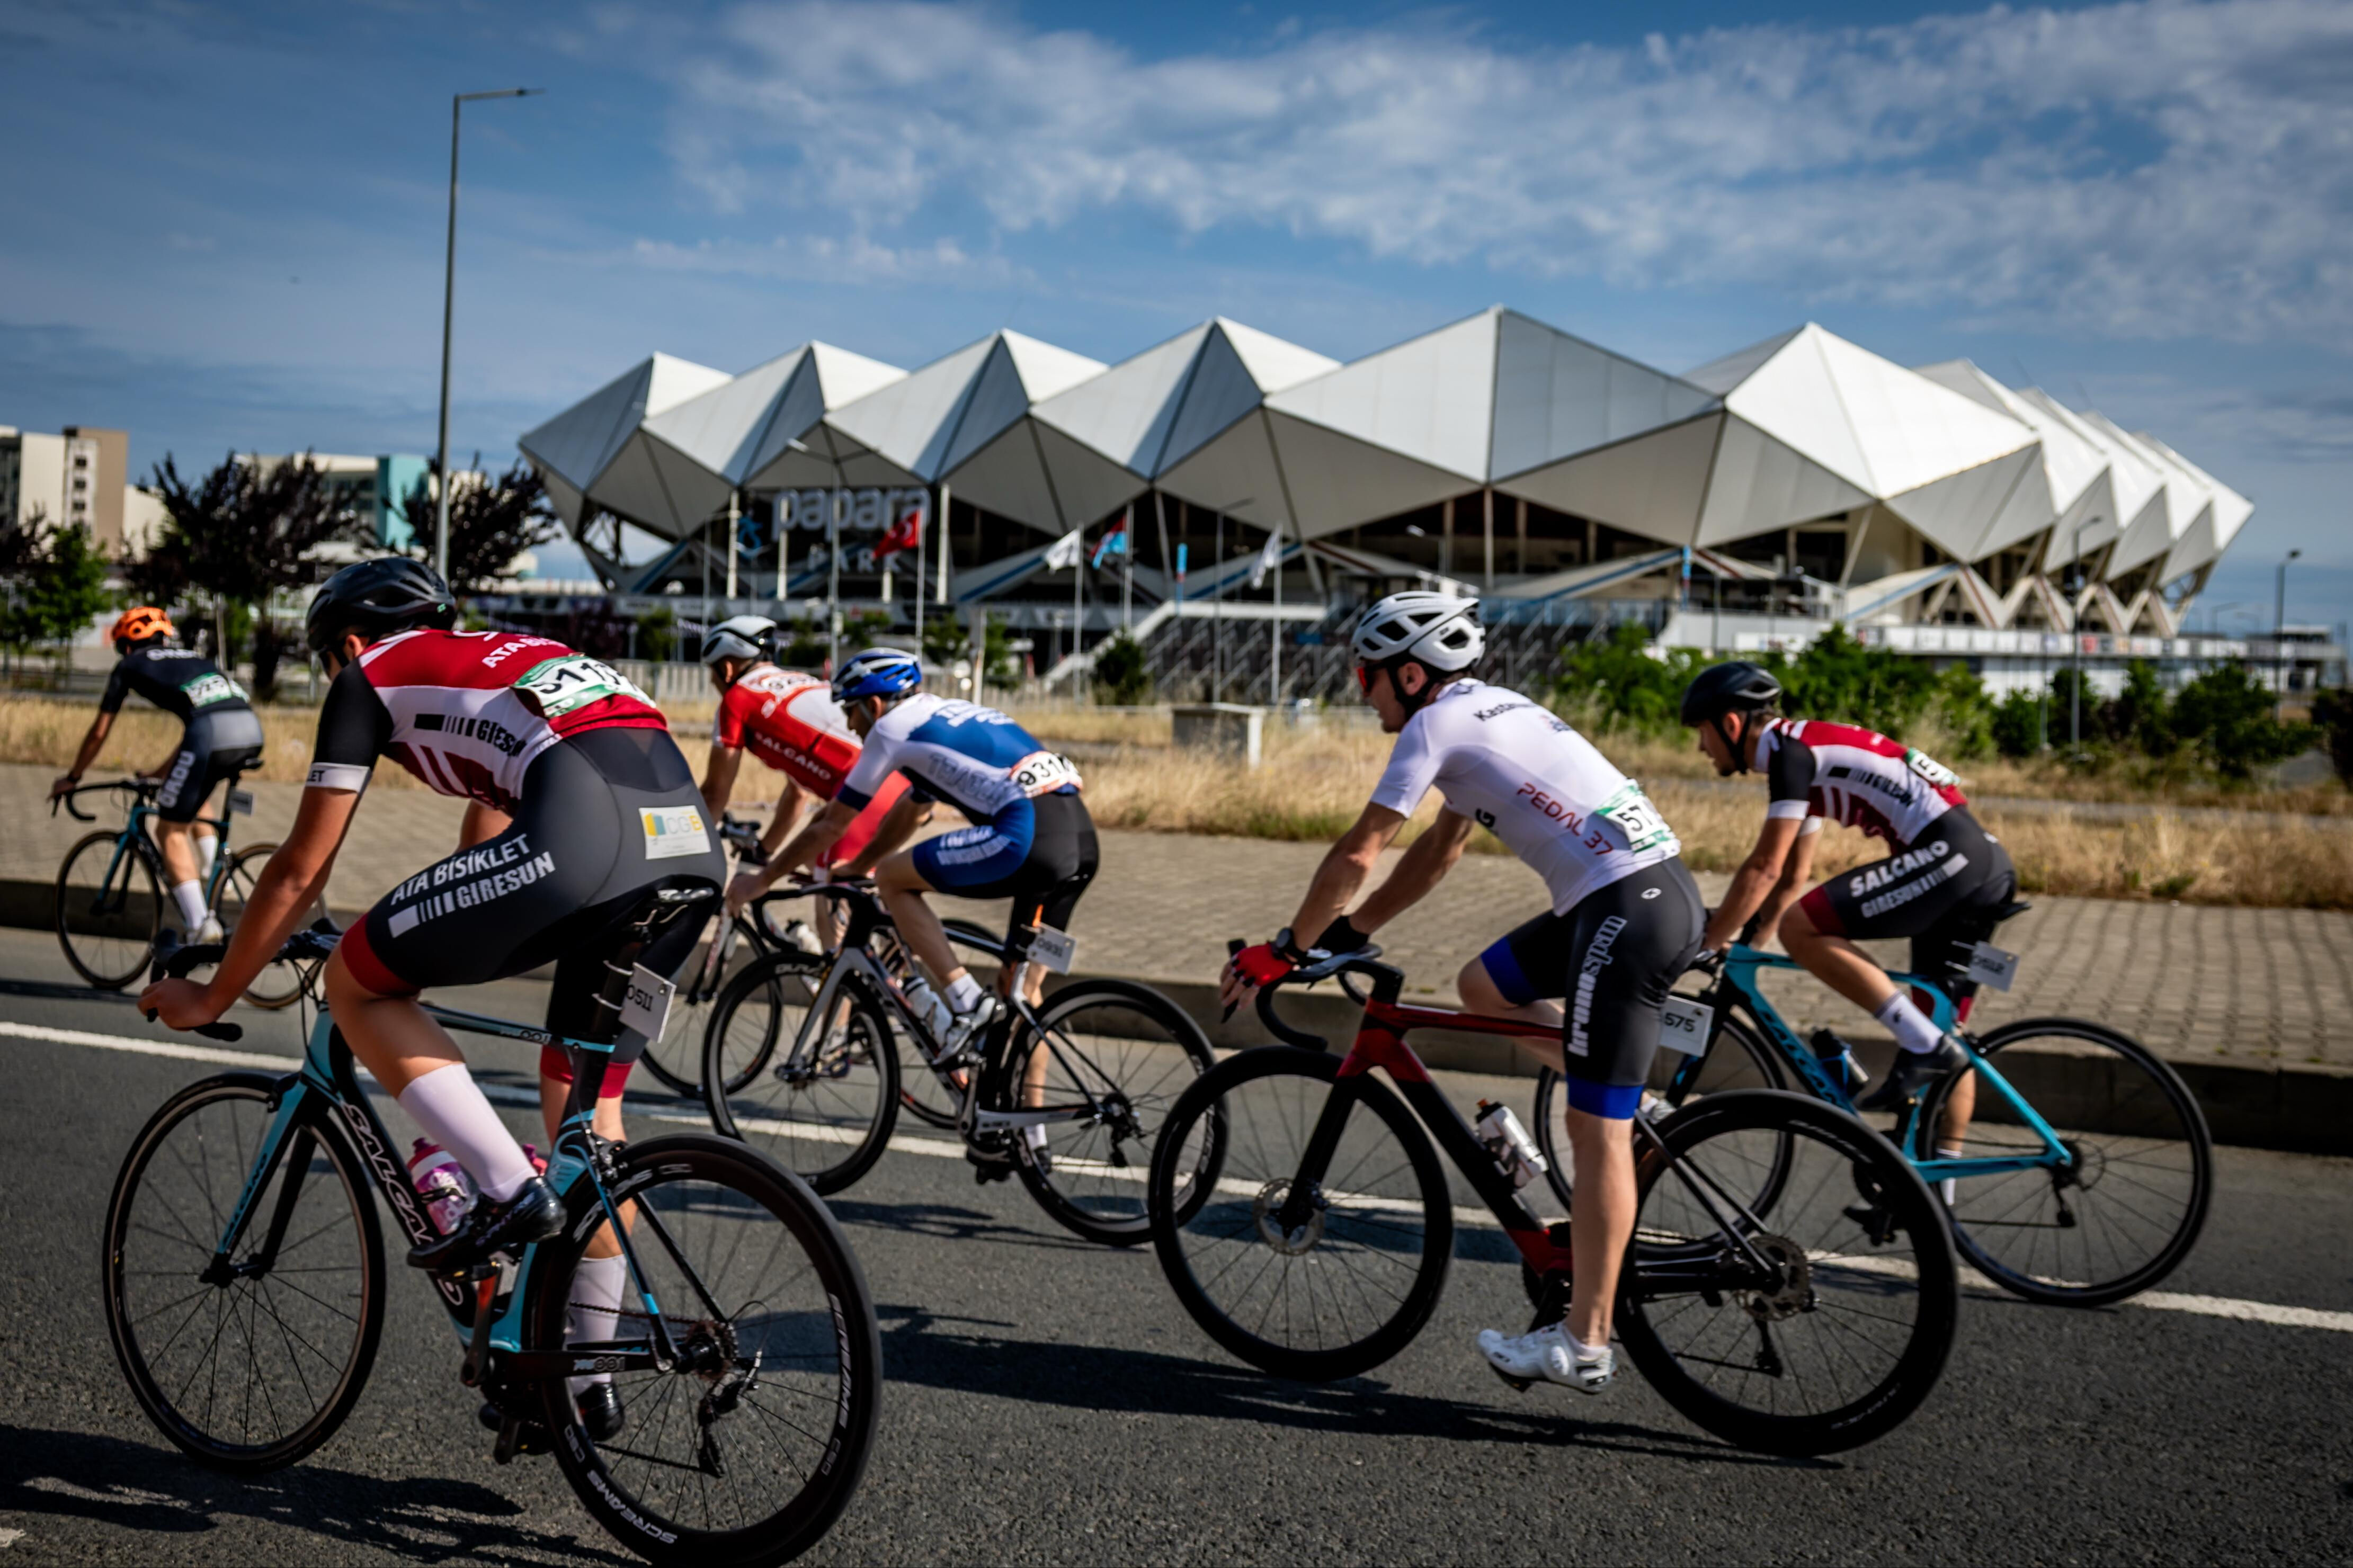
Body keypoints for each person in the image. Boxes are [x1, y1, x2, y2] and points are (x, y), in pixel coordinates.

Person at [140, 559, 724, 1440]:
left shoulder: (370, 674)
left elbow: (300, 868)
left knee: (355, 982)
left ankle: (504, 1195)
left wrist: (215, 988)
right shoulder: (508, 657)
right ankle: (580, 1374)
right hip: (687, 854)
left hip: (586, 839)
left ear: (345, 641)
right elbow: (487, 829)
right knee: (589, 1125)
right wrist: (417, 915)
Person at [1217, 592, 1704, 1397]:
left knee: (1592, 1127)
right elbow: (1438, 852)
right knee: (1482, 986)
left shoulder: (1432, 724)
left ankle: (1584, 1341)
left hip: (1628, 907)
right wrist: (1350, 932)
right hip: (1626, 899)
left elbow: (1361, 847)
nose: (1362, 691)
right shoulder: (1488, 712)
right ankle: (1628, 1103)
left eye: (1367, 677)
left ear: (1410, 673)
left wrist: (1287, 947)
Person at [728, 647, 1098, 1179]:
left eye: (851, 712)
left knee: (896, 883)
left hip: (1027, 839)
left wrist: (762, 878)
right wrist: (860, 863)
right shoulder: (944, 714)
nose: (852, 728)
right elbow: (915, 809)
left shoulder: (890, 728)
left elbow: (830, 823)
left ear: (874, 704)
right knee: (1023, 996)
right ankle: (1028, 1137)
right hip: (1078, 846)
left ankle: (964, 1002)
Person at [1681, 661, 2015, 1115]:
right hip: (1981, 861)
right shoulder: (1804, 750)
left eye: (1702, 731)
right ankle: (1937, 1182)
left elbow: (1764, 869)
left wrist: (1708, 940)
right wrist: (1746, 945)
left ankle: (1924, 1045)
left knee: (1802, 928)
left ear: (1732, 723)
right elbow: (1793, 874)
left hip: (1953, 856)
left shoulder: (1791, 754)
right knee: (1945, 1036)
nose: (1702, 747)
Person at [52, 607, 265, 944]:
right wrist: (156, 774)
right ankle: (212, 875)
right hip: (251, 729)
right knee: (192, 792)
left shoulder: (129, 665)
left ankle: (199, 926)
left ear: (124, 646)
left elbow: (99, 732)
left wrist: (73, 777)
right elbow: (195, 736)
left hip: (210, 734)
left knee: (169, 829)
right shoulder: (195, 658)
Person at [697, 615, 913, 905]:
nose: (713, 682)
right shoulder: (799, 680)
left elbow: (714, 795)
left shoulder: (738, 699)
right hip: (901, 784)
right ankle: (877, 945)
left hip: (866, 790)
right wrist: (763, 852)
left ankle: (835, 947)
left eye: (712, 674)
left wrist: (687, 850)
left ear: (725, 669)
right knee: (811, 857)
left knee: (830, 899)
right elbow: (797, 793)